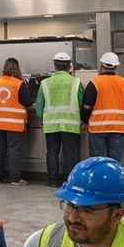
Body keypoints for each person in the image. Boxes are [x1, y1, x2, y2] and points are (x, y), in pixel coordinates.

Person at [37, 52, 84, 187]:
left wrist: (42, 118)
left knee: (52, 152)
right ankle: (68, 181)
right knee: (69, 152)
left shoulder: (45, 83)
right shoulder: (76, 82)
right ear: (69, 66)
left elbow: (39, 106)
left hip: (51, 123)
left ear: (55, 66)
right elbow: (81, 102)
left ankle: (52, 180)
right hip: (71, 124)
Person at [0, 56, 33, 185]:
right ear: (17, 68)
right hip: (14, 124)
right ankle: (15, 178)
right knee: (14, 151)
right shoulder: (19, 84)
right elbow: (28, 102)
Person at [82, 52, 124, 161]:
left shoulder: (94, 82)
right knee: (114, 161)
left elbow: (87, 106)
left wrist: (85, 121)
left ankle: (98, 173)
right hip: (117, 127)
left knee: (97, 161)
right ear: (116, 67)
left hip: (97, 128)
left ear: (101, 66)